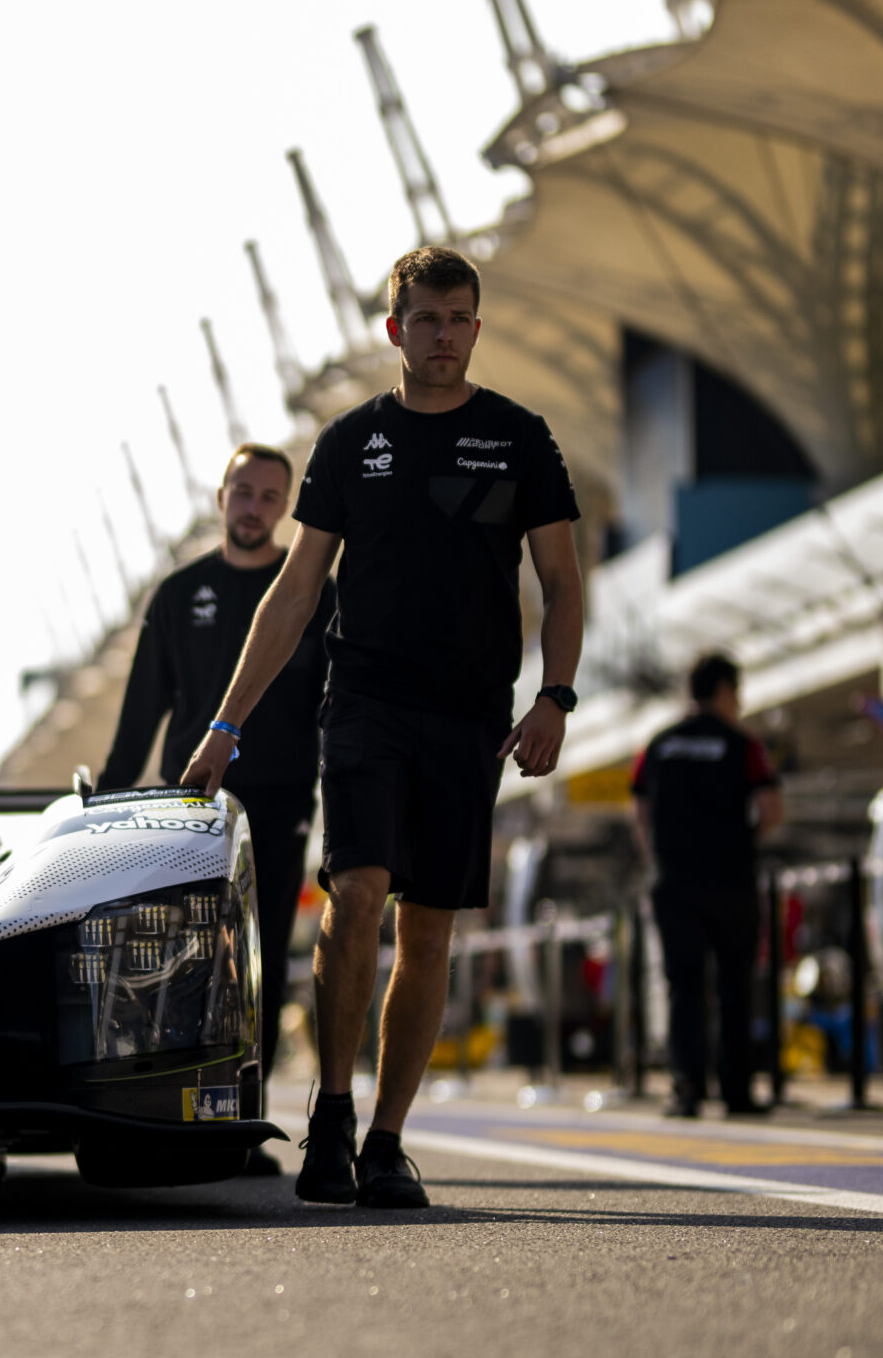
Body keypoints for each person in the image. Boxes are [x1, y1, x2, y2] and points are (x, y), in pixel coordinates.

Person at [181, 245, 584, 1210]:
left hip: (473, 714)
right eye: (425, 319)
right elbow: (294, 591)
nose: (442, 337)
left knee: (431, 929)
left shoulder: (520, 438)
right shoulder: (349, 441)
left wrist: (554, 697)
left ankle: (388, 1140)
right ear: (393, 329)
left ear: (476, 329)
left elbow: (563, 582)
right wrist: (224, 728)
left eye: (459, 319)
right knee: (357, 894)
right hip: (362, 703)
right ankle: (330, 1107)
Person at [102, 441, 332, 1172]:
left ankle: (244, 1121)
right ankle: (168, 1110)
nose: (254, 507)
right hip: (190, 804)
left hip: (280, 797)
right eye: (244, 491)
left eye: (271, 496)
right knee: (186, 957)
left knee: (259, 961)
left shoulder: (315, 593)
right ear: (220, 497)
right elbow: (143, 710)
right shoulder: (178, 594)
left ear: (286, 507)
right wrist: (102, 798)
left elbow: (333, 703)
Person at [632, 652, 783, 1118]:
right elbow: (771, 807)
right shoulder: (744, 744)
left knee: (684, 986)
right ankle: (736, 1091)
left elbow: (640, 810)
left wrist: (662, 856)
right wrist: (742, 842)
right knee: (735, 984)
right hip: (731, 880)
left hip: (675, 882)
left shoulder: (658, 745)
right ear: (723, 691)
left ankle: (686, 1088)